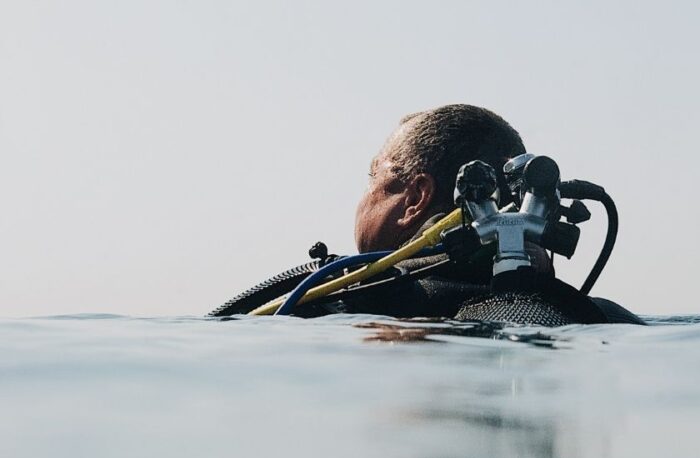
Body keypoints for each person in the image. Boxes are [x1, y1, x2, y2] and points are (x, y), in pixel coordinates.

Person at [209, 104, 642, 324]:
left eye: (372, 178)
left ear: (416, 196)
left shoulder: (339, 301)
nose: (364, 196)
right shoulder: (605, 318)